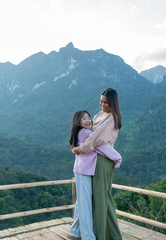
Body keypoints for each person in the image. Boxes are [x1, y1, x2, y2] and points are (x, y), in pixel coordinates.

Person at [72, 88, 122, 240]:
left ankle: (102, 235)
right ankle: (99, 233)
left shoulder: (112, 119)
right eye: (101, 101)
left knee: (101, 198)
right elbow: (88, 133)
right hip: (94, 161)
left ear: (113, 103)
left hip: (103, 160)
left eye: (106, 102)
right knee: (95, 198)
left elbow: (94, 141)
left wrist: (78, 149)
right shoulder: (100, 115)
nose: (102, 104)